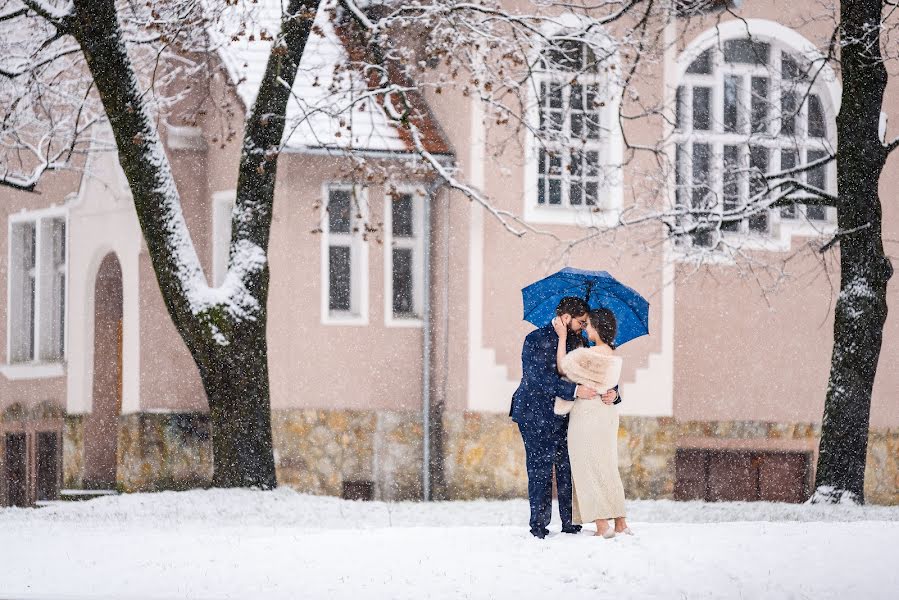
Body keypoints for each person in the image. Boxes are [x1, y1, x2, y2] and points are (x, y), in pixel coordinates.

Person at [510, 297, 616, 539]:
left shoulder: (579, 341)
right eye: (581, 321)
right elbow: (539, 378)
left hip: (567, 415)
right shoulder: (534, 339)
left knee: (569, 466)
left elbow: (600, 369)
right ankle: (539, 527)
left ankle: (570, 522)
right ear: (566, 317)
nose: (583, 326)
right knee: (540, 469)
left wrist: (614, 392)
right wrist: (575, 390)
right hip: (534, 413)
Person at [555, 308, 631, 538]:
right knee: (607, 465)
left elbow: (562, 367)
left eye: (588, 324)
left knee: (587, 466)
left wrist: (562, 338)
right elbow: (609, 387)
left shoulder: (585, 355)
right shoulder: (614, 357)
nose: (586, 328)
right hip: (606, 415)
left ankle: (602, 525)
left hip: (587, 415)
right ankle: (620, 522)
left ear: (596, 328)